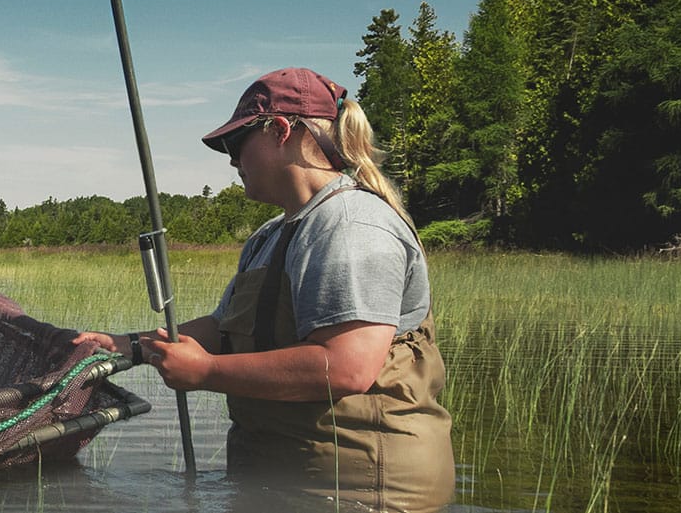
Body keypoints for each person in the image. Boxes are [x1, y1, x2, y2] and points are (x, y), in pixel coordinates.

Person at [76, 68, 453, 511]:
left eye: (236, 145)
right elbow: (224, 328)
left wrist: (207, 373)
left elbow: (348, 366)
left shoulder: (352, 225)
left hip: (365, 492)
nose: (232, 161)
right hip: (289, 484)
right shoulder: (272, 234)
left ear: (279, 131)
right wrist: (129, 346)